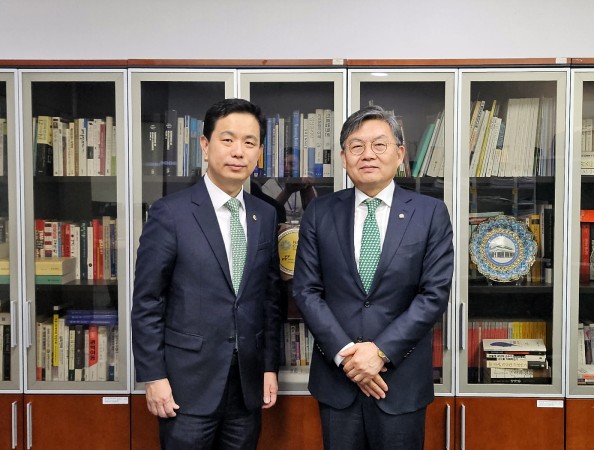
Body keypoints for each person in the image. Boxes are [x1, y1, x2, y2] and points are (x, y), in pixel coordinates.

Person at [292, 105, 454, 450]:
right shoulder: (319, 212)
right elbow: (306, 290)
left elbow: (434, 294)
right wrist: (348, 357)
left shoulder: (430, 213)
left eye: (379, 145)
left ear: (399, 154)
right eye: (357, 146)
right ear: (343, 157)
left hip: (400, 381)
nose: (368, 154)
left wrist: (379, 353)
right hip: (338, 380)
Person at [131, 98, 281, 450]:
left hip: (246, 385)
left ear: (259, 152)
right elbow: (148, 301)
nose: (238, 151)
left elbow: (270, 299)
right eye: (227, 140)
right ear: (205, 144)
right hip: (186, 386)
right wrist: (153, 376)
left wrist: (269, 367)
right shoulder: (170, 213)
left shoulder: (265, 214)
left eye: (249, 142)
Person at [261, 153, 317, 221]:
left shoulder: (305, 183)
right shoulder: (268, 186)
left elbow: (315, 212)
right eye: (283, 164)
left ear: (300, 166)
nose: (287, 168)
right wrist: (287, 192)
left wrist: (309, 188)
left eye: (292, 164)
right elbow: (267, 214)